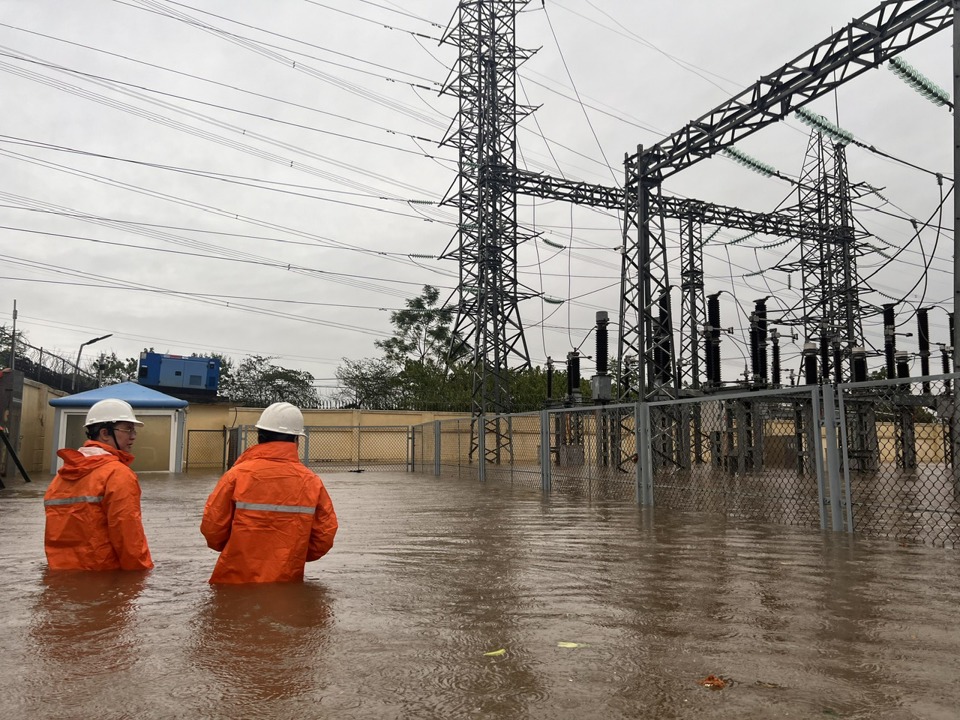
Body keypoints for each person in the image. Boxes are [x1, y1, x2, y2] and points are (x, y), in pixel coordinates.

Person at [201, 401, 338, 584]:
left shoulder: (236, 475)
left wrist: (235, 549)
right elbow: (324, 537)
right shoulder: (311, 482)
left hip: (232, 579)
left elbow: (213, 529)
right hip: (287, 581)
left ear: (259, 437)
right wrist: (292, 556)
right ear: (296, 440)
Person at [43, 398, 153, 571]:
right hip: (105, 574)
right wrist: (139, 577)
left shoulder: (62, 475)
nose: (133, 435)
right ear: (105, 433)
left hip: (61, 573)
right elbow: (128, 537)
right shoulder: (118, 474)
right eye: (127, 428)